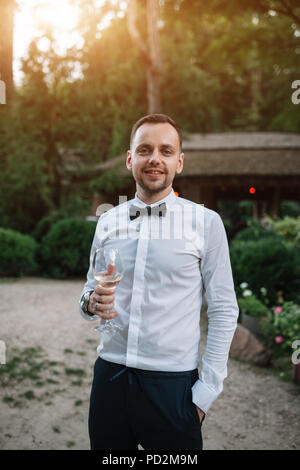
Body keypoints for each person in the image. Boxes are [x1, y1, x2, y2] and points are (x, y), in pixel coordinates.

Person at [79, 113, 239, 450]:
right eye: (145, 149)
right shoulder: (107, 221)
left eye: (166, 151)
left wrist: (203, 396)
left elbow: (224, 310)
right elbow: (89, 291)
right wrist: (90, 302)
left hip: (173, 390)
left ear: (179, 162)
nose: (155, 158)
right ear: (130, 159)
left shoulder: (206, 224)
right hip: (109, 379)